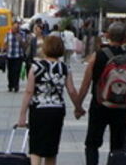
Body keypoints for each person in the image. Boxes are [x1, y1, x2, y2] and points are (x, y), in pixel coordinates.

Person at [76, 22, 126, 165]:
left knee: (92, 144)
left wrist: (78, 106)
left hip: (99, 106)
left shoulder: (97, 56)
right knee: (118, 146)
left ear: (108, 36)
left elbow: (85, 84)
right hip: (122, 108)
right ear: (125, 38)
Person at [17, 33, 80, 165]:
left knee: (36, 148)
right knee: (51, 150)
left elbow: (29, 91)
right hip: (56, 111)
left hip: (38, 110)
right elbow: (72, 90)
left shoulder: (35, 67)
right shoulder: (64, 68)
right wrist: (78, 107)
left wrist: (22, 114)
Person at [4, 23, 27, 92]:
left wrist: (20, 40)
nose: (15, 29)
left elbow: (24, 46)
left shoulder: (22, 34)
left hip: (18, 55)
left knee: (17, 71)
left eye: (17, 28)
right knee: (10, 72)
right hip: (10, 55)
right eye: (14, 28)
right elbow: (5, 43)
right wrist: (4, 51)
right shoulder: (8, 34)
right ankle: (10, 85)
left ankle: (16, 85)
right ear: (12, 27)